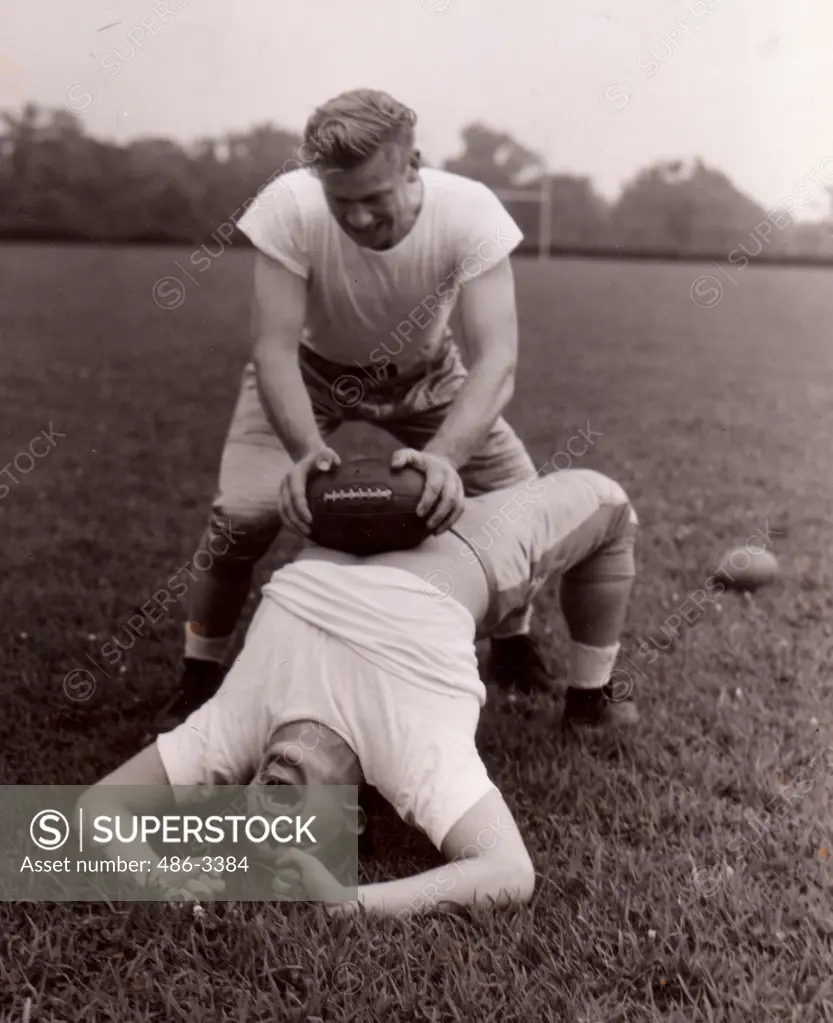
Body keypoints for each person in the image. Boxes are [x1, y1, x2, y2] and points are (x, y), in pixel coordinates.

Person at [80, 466, 639, 916]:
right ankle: (589, 702)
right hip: (473, 550)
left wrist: (160, 880)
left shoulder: (233, 729)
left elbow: (95, 809)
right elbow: (509, 873)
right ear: (353, 819)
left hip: (351, 520)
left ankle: (463, 465)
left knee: (426, 427)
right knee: (610, 502)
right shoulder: (411, 751)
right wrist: (350, 901)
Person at [167, 87, 551, 725]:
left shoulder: (469, 210)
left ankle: (514, 646)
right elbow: (274, 350)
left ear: (413, 164)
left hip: (425, 375)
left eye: (376, 199)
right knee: (242, 515)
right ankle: (199, 674)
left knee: (521, 502)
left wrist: (446, 458)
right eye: (342, 201)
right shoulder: (289, 206)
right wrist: (308, 454)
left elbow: (496, 361)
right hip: (312, 375)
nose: (361, 219)